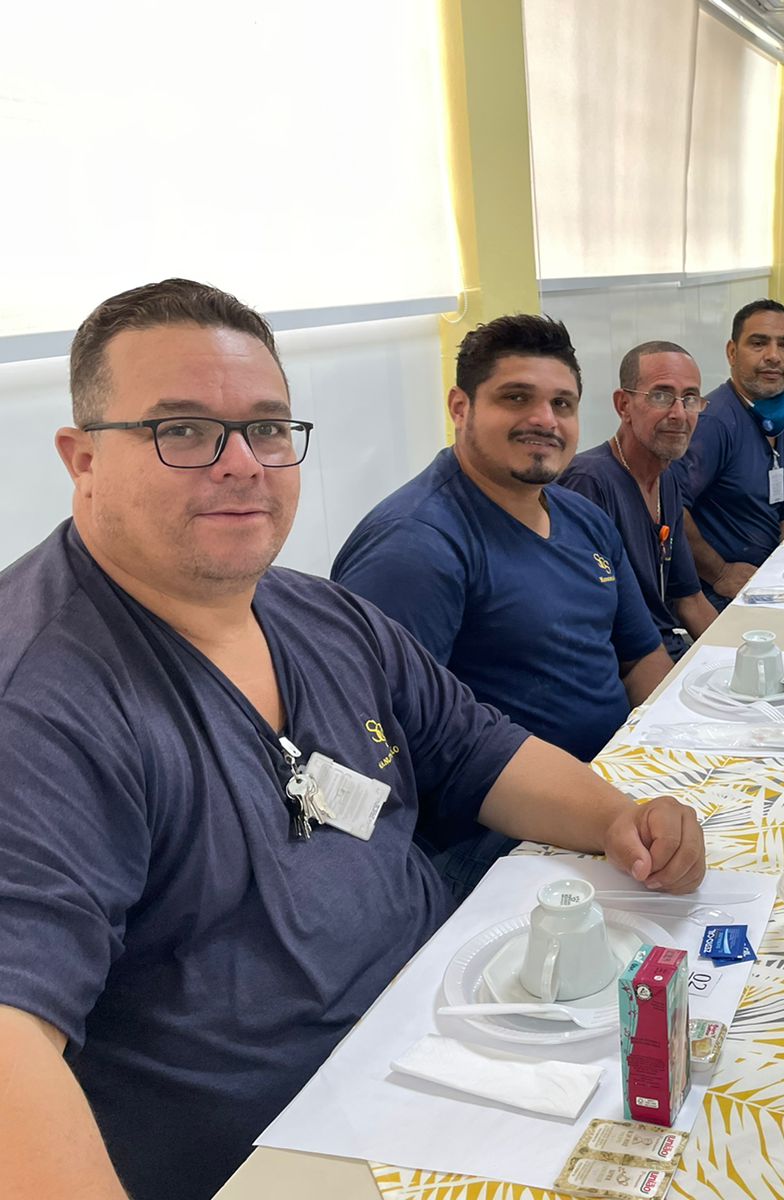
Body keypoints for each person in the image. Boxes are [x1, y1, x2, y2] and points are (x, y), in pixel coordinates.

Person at [0, 279, 705, 1200]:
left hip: (453, 1027)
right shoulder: (42, 701)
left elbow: (478, 749)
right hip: (295, 1144)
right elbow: (14, 1035)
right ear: (84, 458)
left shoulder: (319, 615)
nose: (242, 464)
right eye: (184, 430)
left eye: (265, 427)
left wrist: (619, 818)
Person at [333, 314, 674, 894]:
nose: (544, 419)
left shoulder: (581, 517)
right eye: (516, 398)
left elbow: (641, 657)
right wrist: (603, 808)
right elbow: (378, 749)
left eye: (562, 404)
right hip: (498, 837)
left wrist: (675, 761)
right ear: (460, 407)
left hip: (612, 779)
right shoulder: (416, 547)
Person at [559, 341, 720, 661]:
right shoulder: (588, 484)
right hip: (630, 667)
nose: (679, 414)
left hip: (667, 650)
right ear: (623, 405)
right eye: (661, 396)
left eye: (690, 398)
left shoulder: (666, 479)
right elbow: (594, 630)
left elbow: (690, 600)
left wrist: (738, 659)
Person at [678, 299, 784, 607]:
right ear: (732, 353)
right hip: (720, 596)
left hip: (771, 580)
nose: (773, 356)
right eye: (758, 343)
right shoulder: (713, 424)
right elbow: (668, 508)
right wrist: (719, 572)